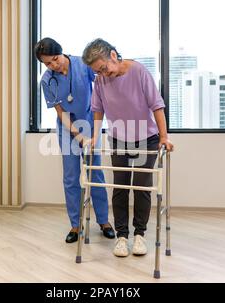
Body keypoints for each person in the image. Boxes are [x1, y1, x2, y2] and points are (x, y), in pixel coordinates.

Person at [82, 38, 174, 257]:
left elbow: (157, 105)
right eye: (98, 72)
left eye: (104, 68)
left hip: (146, 138)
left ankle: (139, 235)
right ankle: (122, 236)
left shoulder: (139, 71)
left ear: (113, 55)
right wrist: (95, 136)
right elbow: (98, 110)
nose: (103, 74)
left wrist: (164, 137)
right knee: (120, 187)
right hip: (118, 139)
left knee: (142, 186)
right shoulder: (101, 81)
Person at [34, 37, 115, 243]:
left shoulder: (82, 64)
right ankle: (75, 225)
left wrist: (92, 131)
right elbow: (60, 112)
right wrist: (77, 136)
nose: (53, 65)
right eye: (47, 63)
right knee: (71, 177)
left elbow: (101, 88)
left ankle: (104, 221)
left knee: (95, 173)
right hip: (67, 128)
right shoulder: (46, 80)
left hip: (89, 123)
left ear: (61, 52)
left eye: (55, 59)